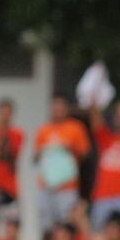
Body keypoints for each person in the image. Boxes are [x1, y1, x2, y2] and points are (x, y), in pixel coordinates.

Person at [33, 95, 91, 231]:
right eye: (54, 107)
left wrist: (69, 147)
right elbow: (36, 157)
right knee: (46, 226)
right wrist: (45, 151)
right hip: (46, 185)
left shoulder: (76, 128)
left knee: (67, 225)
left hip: (67, 186)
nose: (57, 110)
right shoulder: (44, 130)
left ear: (66, 109)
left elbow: (85, 154)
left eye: (60, 107)